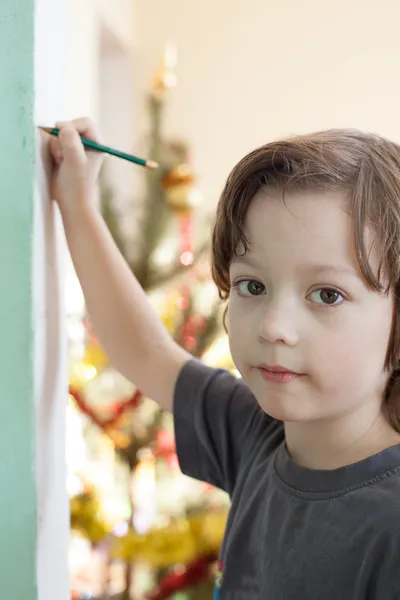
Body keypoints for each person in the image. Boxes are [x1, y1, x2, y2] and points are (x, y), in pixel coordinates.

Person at [49, 118, 400, 599]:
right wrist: (76, 203)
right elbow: (145, 351)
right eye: (252, 286)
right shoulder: (255, 433)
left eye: (327, 294)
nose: (274, 326)